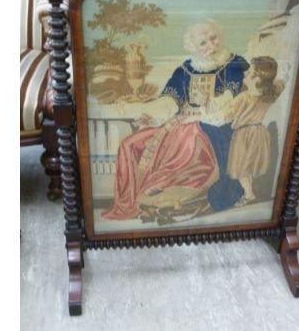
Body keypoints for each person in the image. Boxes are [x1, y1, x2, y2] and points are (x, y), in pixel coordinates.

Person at [101, 19, 249, 220]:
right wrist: (153, 117)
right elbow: (170, 100)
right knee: (131, 144)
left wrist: (205, 105)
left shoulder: (234, 64)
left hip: (215, 126)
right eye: (203, 43)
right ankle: (145, 197)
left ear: (220, 36)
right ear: (193, 47)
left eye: (213, 38)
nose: (211, 45)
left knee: (187, 140)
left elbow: (230, 102)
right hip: (181, 123)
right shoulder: (186, 69)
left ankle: (169, 193)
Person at [201, 56, 285, 206]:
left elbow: (222, 118)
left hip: (244, 136)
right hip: (259, 134)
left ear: (257, 78)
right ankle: (249, 192)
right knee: (248, 167)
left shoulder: (244, 97)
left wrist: (203, 111)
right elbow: (281, 82)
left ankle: (248, 195)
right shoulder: (269, 94)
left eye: (250, 72)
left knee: (241, 169)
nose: (245, 74)